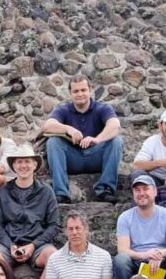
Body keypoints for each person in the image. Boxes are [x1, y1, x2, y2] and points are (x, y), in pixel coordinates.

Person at [0, 147, 59, 279]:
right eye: (19, 162)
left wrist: (33, 245)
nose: (23, 166)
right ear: (14, 166)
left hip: (38, 244)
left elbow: (54, 225)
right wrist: (10, 245)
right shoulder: (3, 192)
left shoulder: (46, 191)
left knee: (55, 258)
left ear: (35, 165)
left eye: (27, 161)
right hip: (8, 245)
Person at [41, 75, 123, 204]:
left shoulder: (102, 108)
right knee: (53, 142)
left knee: (116, 141)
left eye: (83, 90)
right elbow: (47, 126)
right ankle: (61, 193)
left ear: (90, 90)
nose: (80, 94)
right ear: (70, 93)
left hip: (96, 157)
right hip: (72, 159)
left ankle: (105, 190)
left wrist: (98, 139)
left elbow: (115, 125)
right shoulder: (63, 109)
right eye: (76, 91)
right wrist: (68, 129)